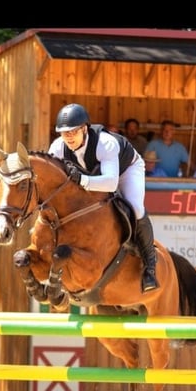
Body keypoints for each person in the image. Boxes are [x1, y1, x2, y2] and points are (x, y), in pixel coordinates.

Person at [48, 103, 159, 292]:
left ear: (84, 128)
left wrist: (82, 180)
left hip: (125, 171)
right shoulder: (57, 148)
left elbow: (110, 184)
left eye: (73, 132)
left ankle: (150, 266)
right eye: (64, 133)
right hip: (91, 176)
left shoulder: (105, 143)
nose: (68, 138)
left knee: (136, 208)